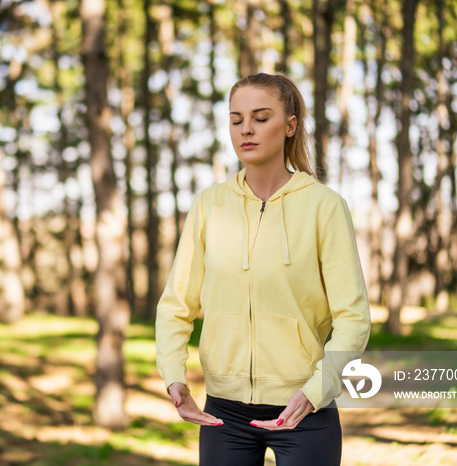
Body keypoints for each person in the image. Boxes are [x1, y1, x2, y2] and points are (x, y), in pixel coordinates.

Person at [155, 72, 371, 466]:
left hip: (306, 410)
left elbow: (353, 317)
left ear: (290, 126)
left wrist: (317, 389)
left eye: (260, 117)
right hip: (223, 414)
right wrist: (174, 377)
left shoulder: (324, 207)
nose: (246, 130)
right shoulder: (209, 205)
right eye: (236, 119)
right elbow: (176, 305)